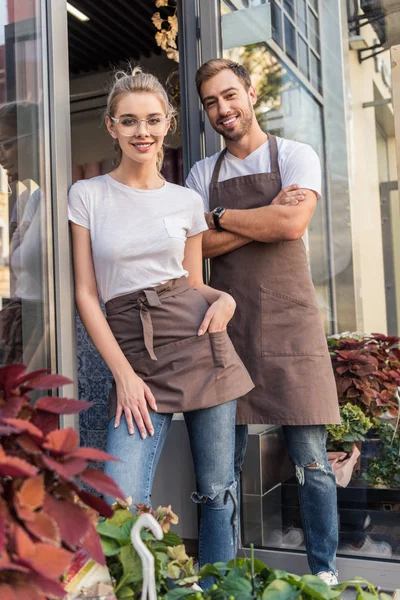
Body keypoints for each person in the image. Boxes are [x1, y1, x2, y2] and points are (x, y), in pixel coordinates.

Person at [68, 68, 254, 570]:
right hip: (135, 358)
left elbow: (193, 284)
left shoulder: (186, 201)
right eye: (129, 121)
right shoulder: (87, 195)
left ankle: (219, 585)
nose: (141, 132)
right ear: (111, 126)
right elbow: (87, 293)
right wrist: (123, 376)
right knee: (122, 502)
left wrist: (227, 300)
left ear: (168, 123)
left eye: (152, 120)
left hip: (200, 344)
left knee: (218, 491)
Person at [186, 58, 341, 585]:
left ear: (250, 92)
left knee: (312, 463)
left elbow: (293, 221)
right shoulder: (200, 174)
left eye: (230, 95)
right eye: (211, 102)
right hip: (225, 327)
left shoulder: (296, 154)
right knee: (224, 469)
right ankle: (225, 576)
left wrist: (224, 219)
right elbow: (197, 246)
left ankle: (324, 572)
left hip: (290, 325)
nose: (222, 109)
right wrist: (260, 219)